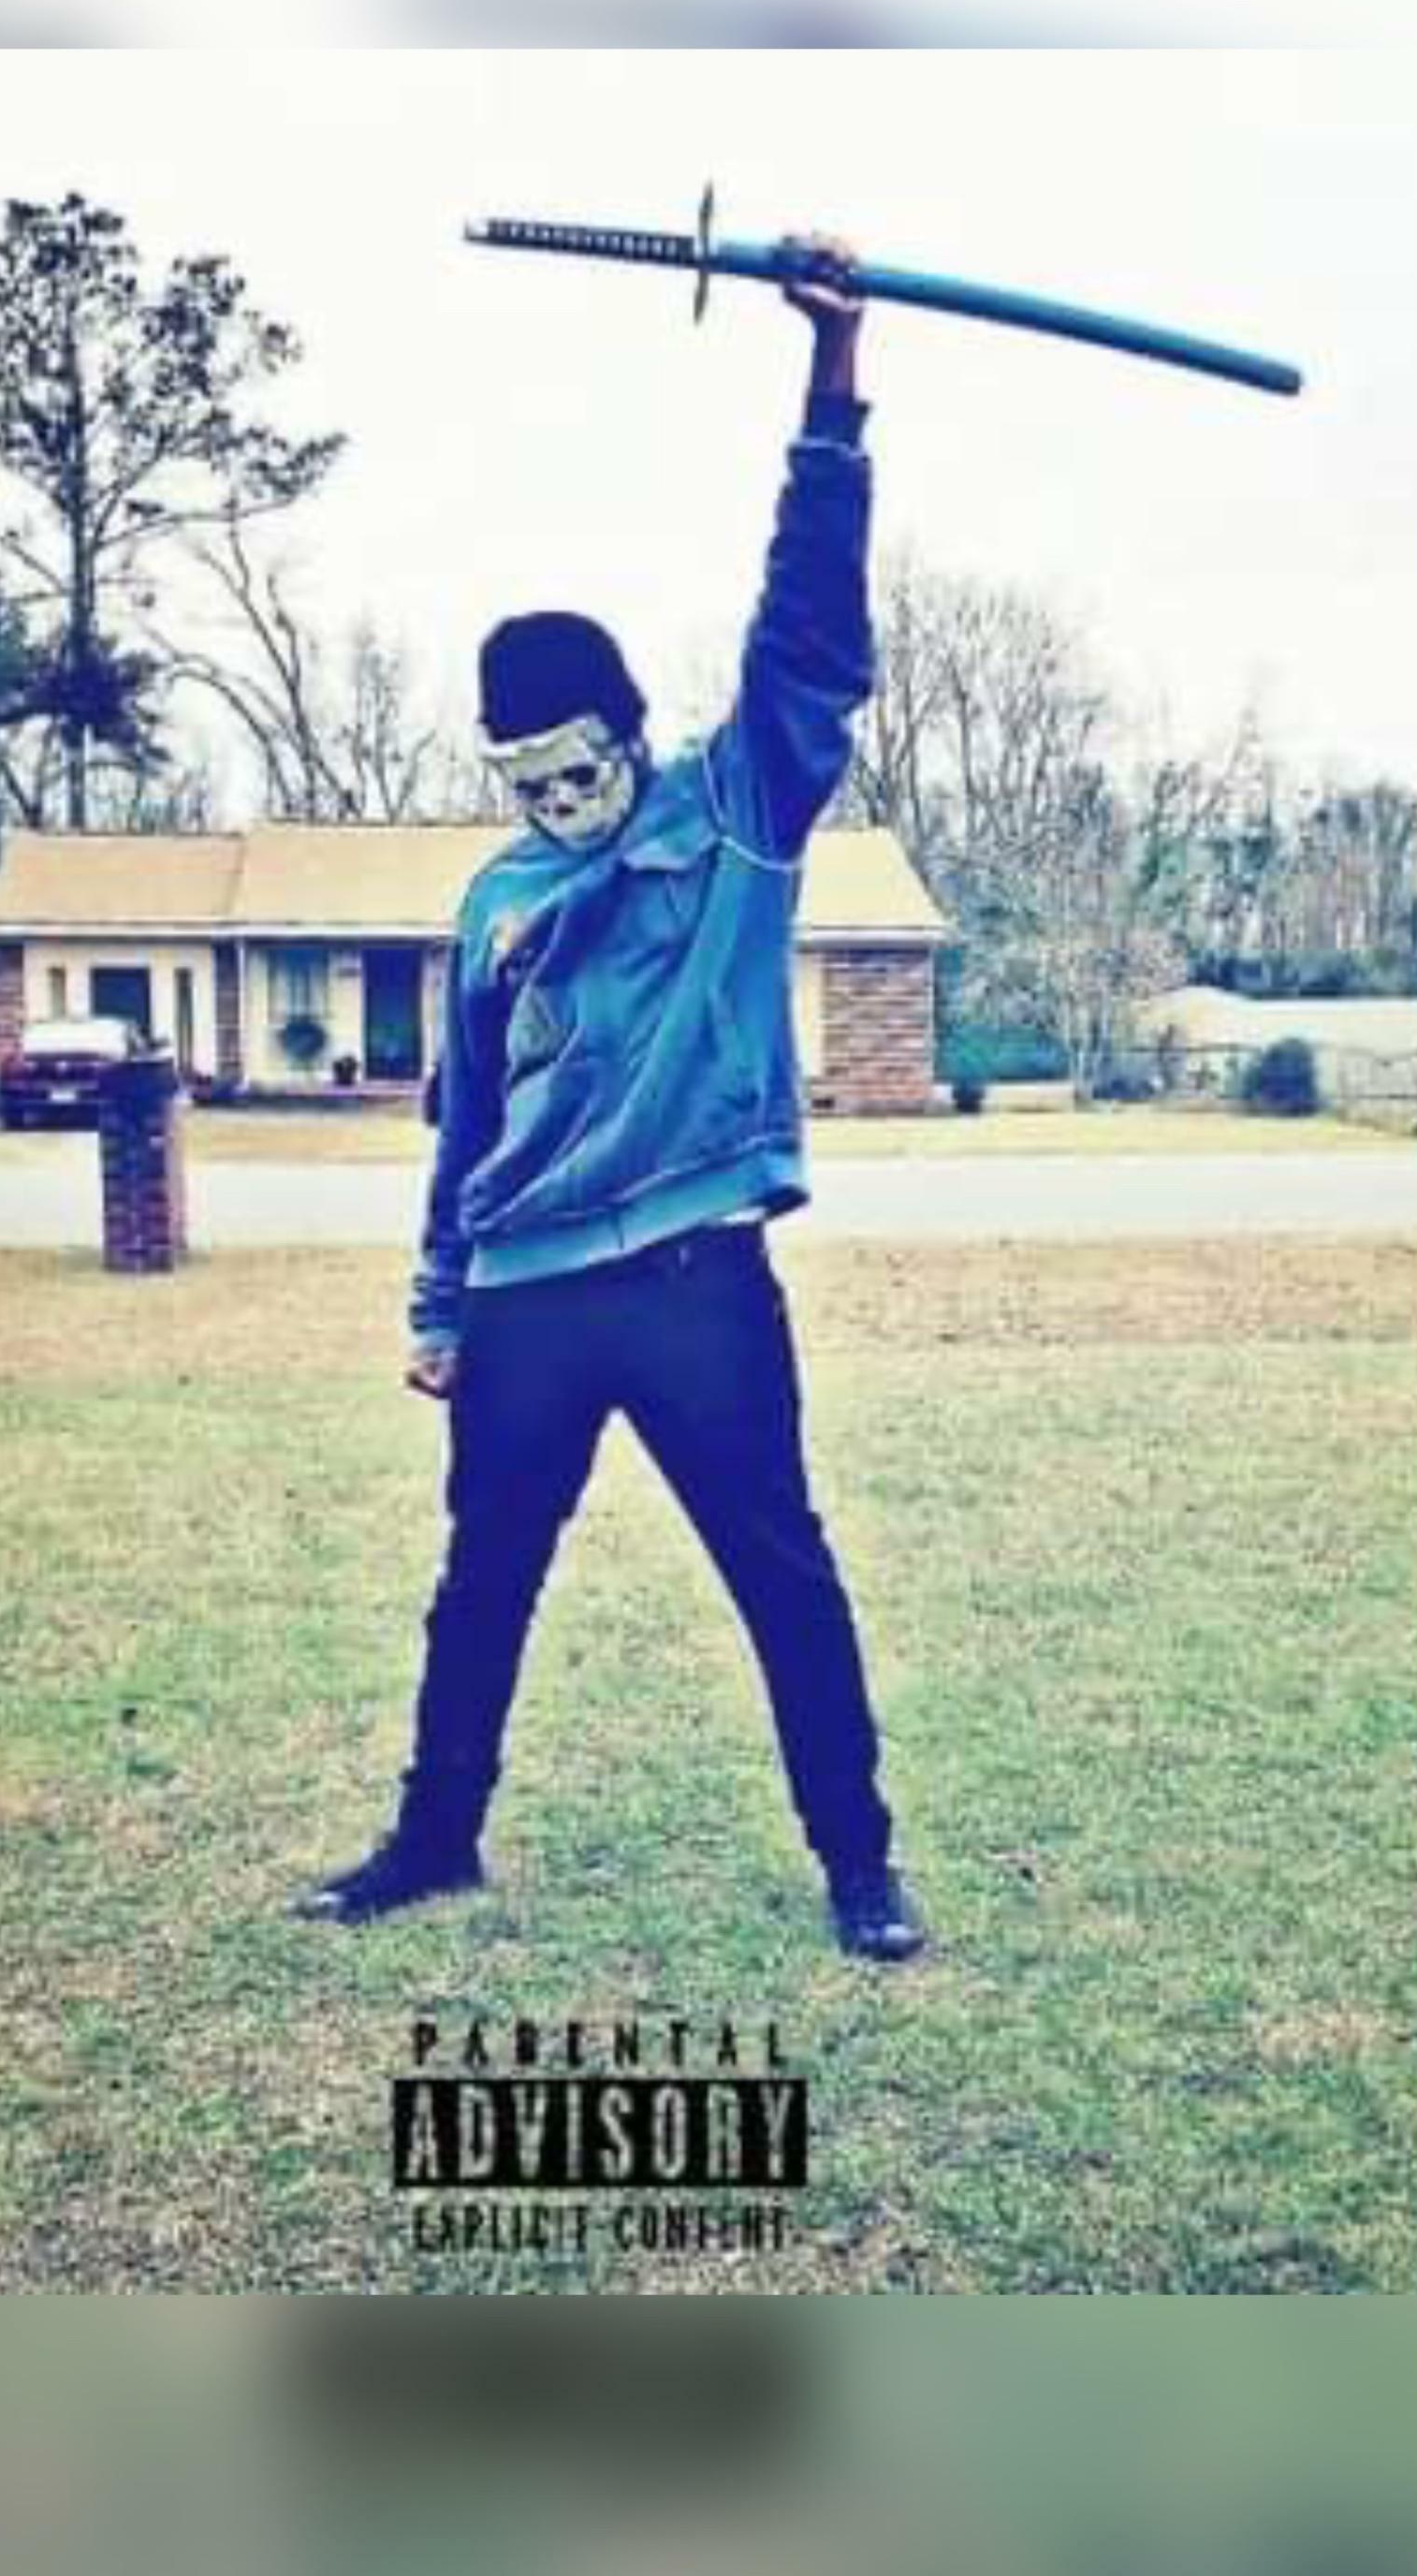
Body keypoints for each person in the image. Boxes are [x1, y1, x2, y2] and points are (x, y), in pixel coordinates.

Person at [290, 232, 927, 1962]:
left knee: (782, 1572)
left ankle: (859, 1861)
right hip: (526, 1297)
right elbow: (464, 1130)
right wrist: (439, 1303)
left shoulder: (732, 816)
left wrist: (832, 380)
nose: (557, 799)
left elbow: (809, 640)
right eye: (524, 776)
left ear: (628, 733)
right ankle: (434, 1840)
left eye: (577, 763)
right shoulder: (494, 905)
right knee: (482, 1581)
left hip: (697, 1285)